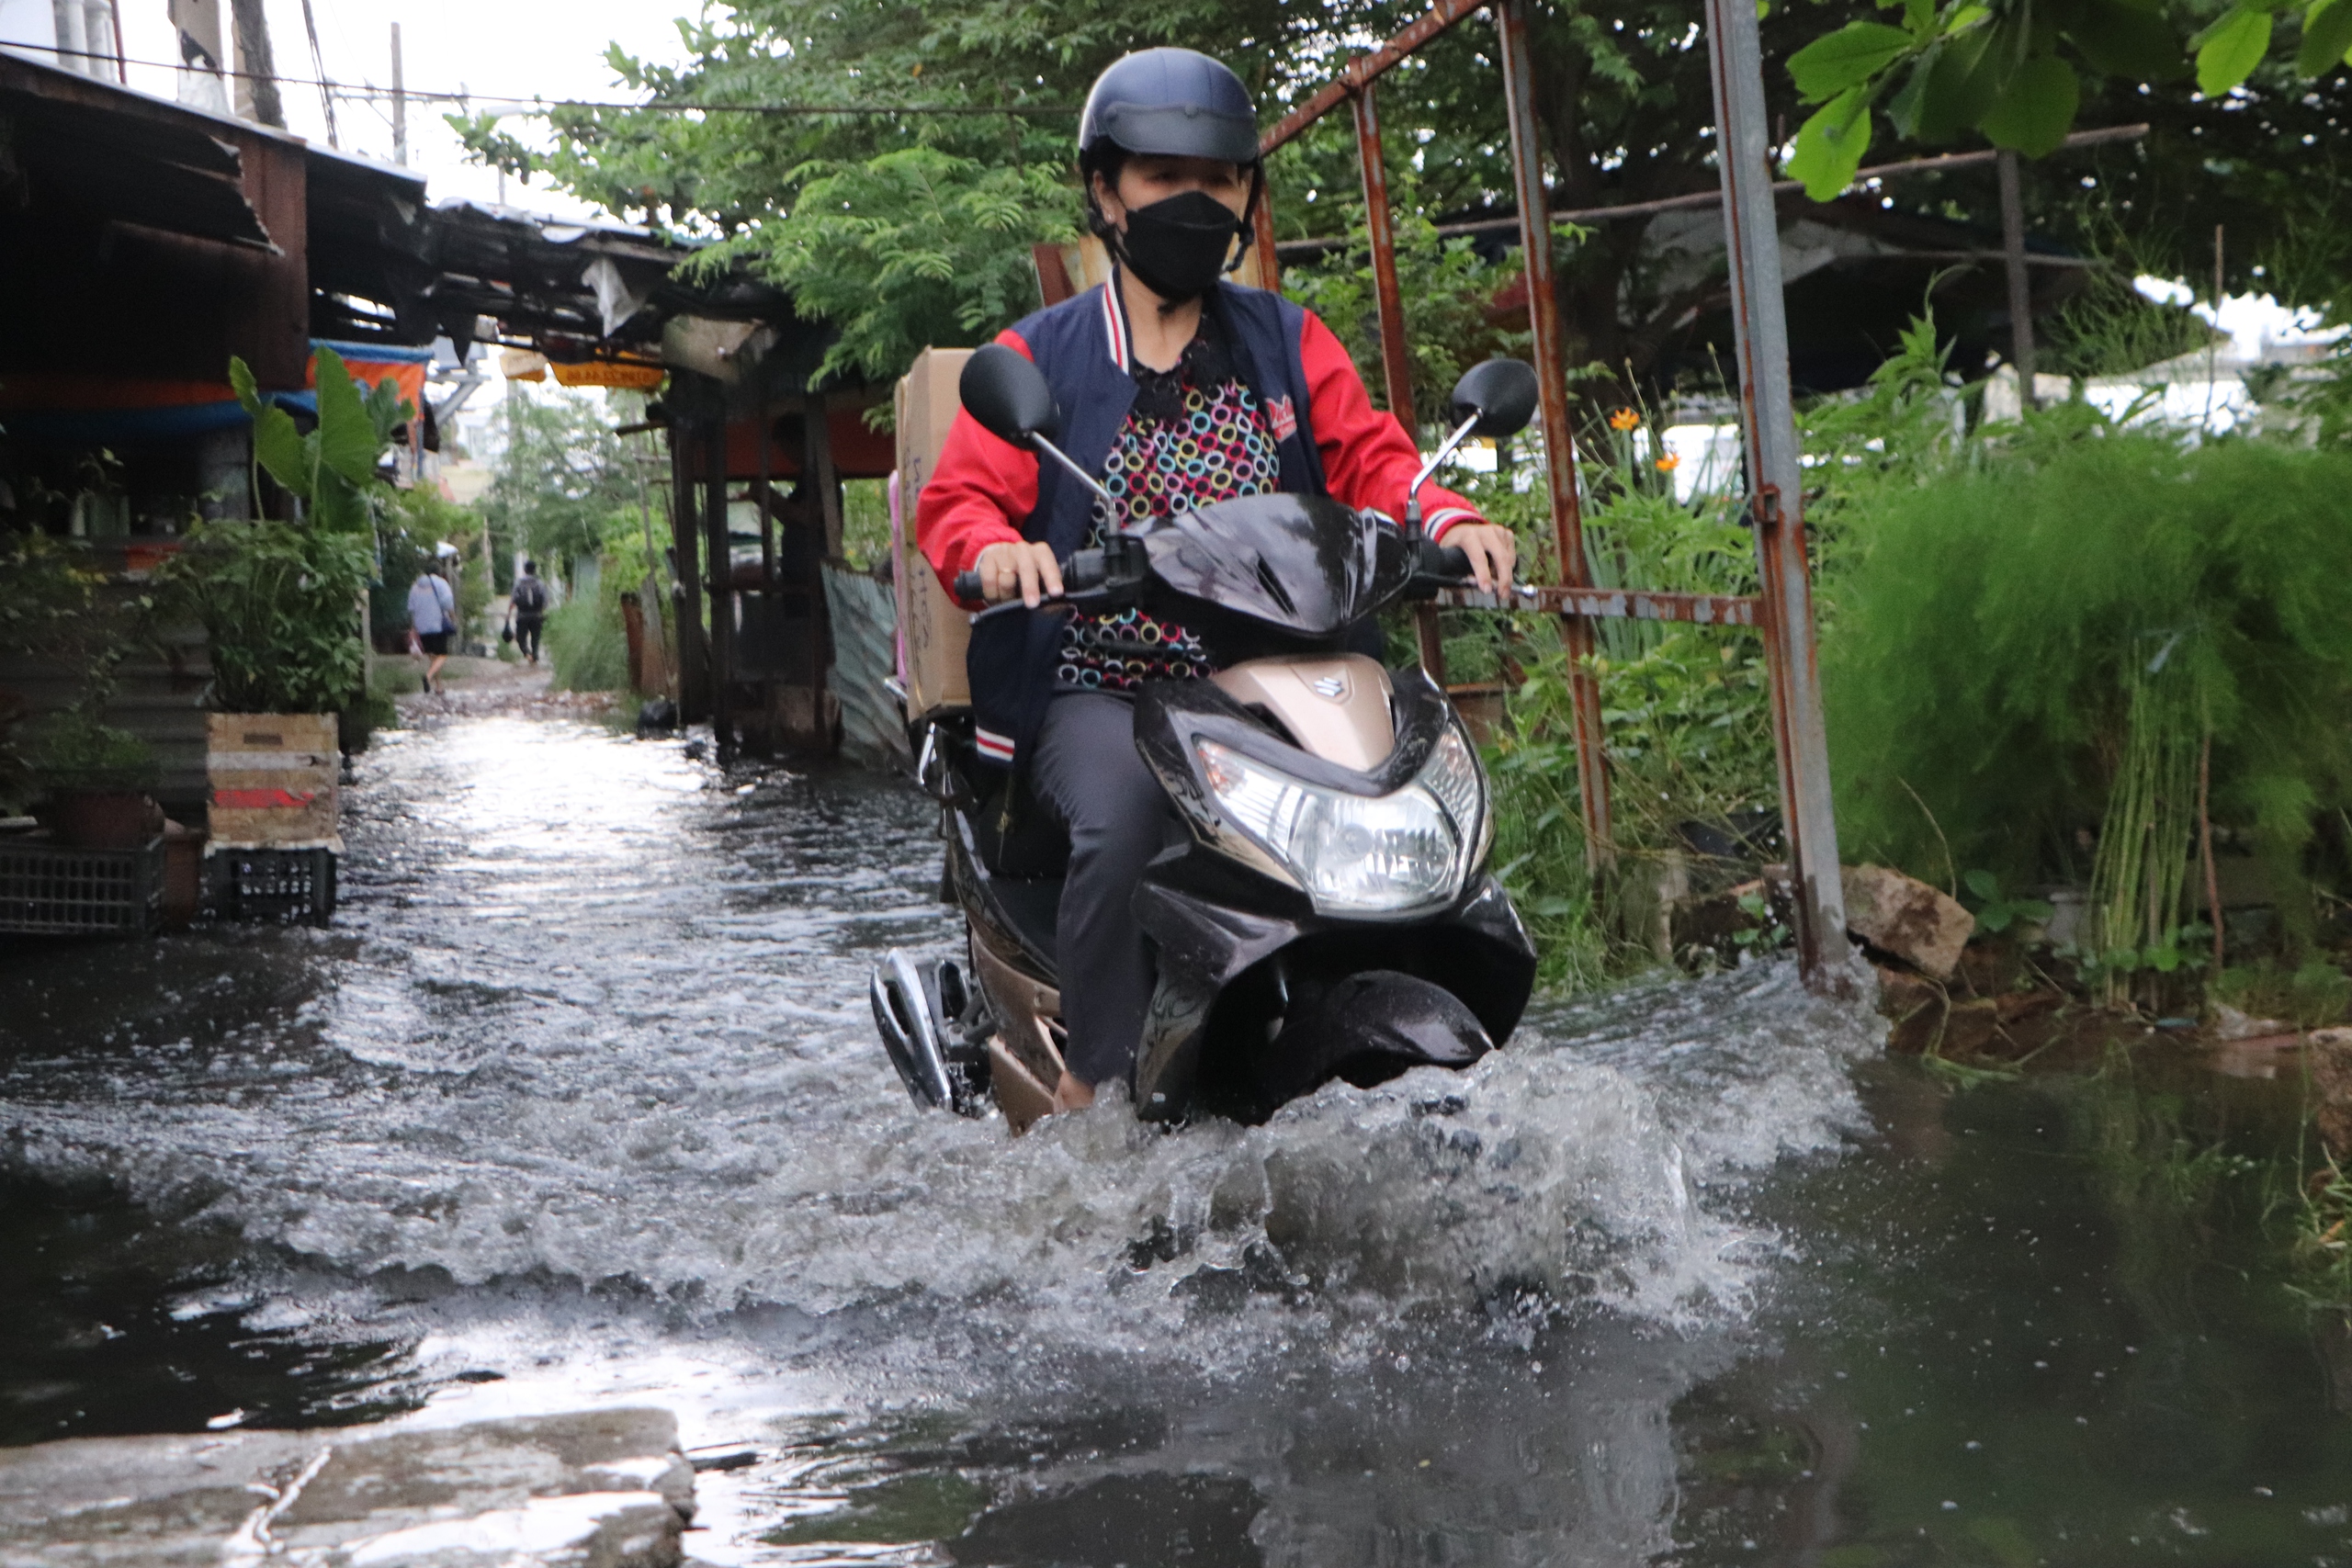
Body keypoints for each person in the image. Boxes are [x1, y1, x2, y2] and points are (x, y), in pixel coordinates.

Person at [918, 48, 1518, 1115]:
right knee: (1123, 818)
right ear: (1105, 191)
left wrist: (1449, 517)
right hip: (1105, 682)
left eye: (1220, 178)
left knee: (1408, 787)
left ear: (1246, 193)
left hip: (1282, 674)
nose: (1195, 200)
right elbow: (959, 505)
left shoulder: (1286, 340)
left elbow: (1376, 462)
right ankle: (1090, 1090)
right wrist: (996, 551)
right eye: (1162, 175)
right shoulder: (1041, 355)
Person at [407, 561, 458, 694]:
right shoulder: (441, 583)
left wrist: (413, 627)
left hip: (422, 627)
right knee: (442, 655)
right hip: (438, 625)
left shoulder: (415, 586)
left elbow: (412, 608)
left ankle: (439, 687)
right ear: (439, 572)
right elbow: (448, 604)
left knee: (433, 657)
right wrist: (453, 619)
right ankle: (428, 677)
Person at [508, 560, 550, 666]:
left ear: (525, 570)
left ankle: (527, 653)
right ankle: (535, 656)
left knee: (520, 638)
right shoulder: (540, 583)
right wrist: (542, 611)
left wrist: (508, 613)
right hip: (536, 615)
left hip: (522, 615)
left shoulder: (518, 583)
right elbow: (545, 601)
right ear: (534, 570)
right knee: (535, 638)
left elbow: (513, 599)